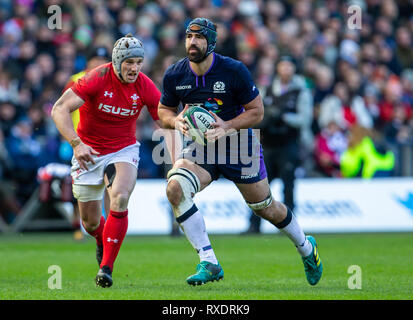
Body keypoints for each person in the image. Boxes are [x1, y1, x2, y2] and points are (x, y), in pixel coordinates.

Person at [157, 18, 323, 286]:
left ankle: (306, 247)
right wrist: (175, 121)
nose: (192, 42)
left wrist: (227, 126)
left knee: (265, 207)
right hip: (201, 148)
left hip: (238, 146)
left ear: (211, 42)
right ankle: (208, 261)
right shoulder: (175, 74)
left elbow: (257, 111)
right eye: (189, 36)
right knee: (175, 189)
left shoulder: (234, 71)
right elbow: (163, 111)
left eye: (198, 38)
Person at [52, 33, 162, 288]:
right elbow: (59, 109)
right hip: (87, 152)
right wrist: (76, 144)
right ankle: (103, 239)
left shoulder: (144, 85)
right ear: (116, 61)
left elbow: (162, 115)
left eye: (138, 62)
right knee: (90, 224)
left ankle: (106, 268)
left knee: (120, 197)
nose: (134, 68)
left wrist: (179, 122)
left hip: (123, 150)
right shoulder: (96, 78)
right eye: (129, 63)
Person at [245, 55, 313, 233]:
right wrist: (267, 118)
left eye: (289, 66)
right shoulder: (265, 89)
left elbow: (305, 119)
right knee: (258, 186)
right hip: (266, 145)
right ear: (278, 68)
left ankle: (289, 228)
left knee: (288, 185)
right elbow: (254, 113)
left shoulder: (301, 92)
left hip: (288, 144)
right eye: (283, 65)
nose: (286, 69)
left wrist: (282, 117)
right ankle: (253, 225)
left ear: (294, 69)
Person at [63, 46, 111, 241]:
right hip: (78, 141)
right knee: (79, 184)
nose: (98, 63)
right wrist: (68, 138)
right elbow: (61, 109)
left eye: (102, 59)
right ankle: (78, 224)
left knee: (110, 184)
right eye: (95, 59)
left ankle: (110, 224)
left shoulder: (112, 79)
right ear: (88, 63)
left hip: (106, 141)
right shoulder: (76, 80)